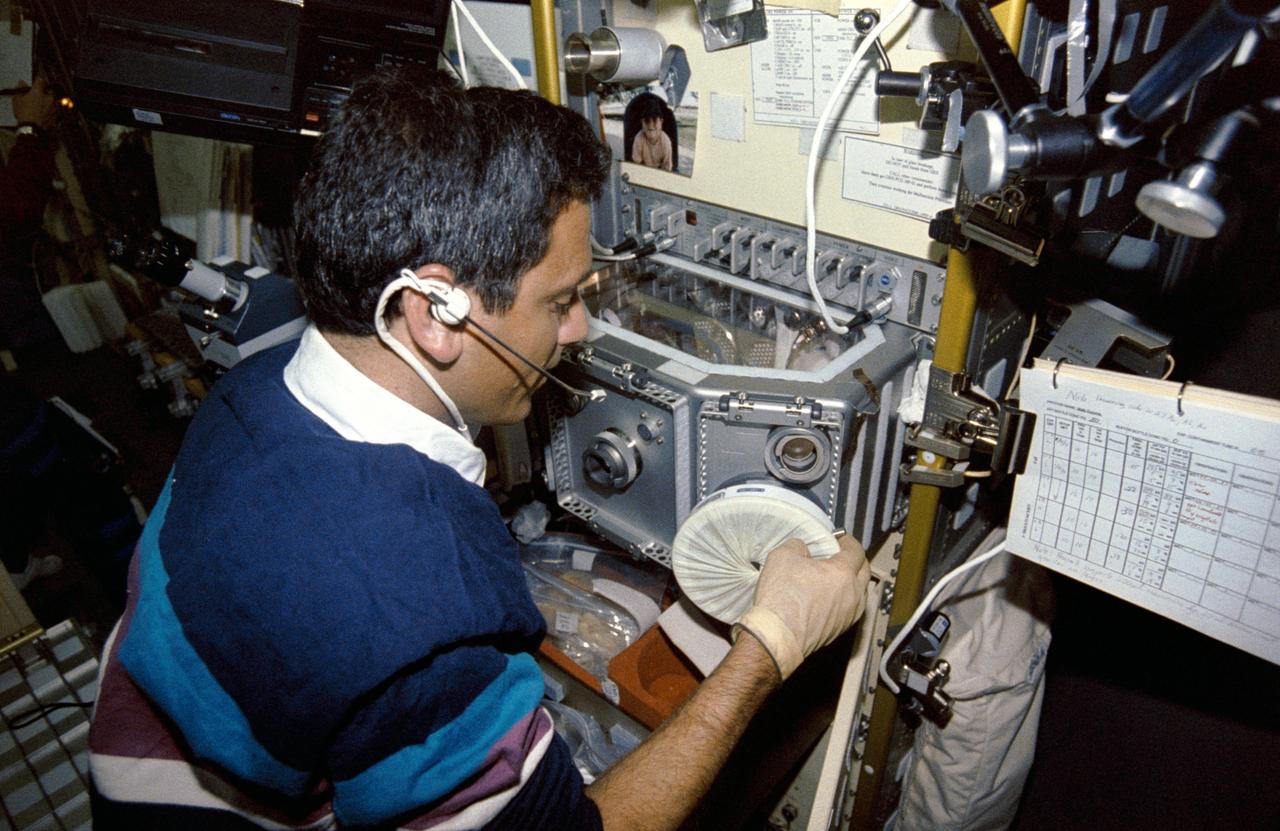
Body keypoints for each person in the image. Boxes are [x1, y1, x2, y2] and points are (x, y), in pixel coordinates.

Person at [88, 66, 871, 830]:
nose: (579, 331)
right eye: (560, 303)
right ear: (435, 309)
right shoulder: (412, 605)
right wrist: (768, 644)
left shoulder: (256, 384)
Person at [629, 94, 673, 172]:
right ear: (642, 122)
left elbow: (667, 168)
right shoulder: (639, 139)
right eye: (647, 120)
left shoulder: (666, 141)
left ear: (661, 122)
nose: (651, 124)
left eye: (655, 120)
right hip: (644, 171)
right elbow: (636, 165)